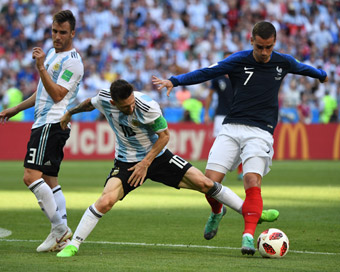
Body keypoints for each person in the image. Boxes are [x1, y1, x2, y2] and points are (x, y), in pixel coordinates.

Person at [152, 21, 328, 255]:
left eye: (269, 47)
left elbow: (304, 68)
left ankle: (248, 236)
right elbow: (207, 72)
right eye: (260, 47)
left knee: (251, 181)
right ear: (251, 40)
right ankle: (217, 212)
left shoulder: (282, 61)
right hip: (231, 127)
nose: (265, 53)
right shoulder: (238, 60)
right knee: (208, 183)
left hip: (261, 131)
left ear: (274, 43)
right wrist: (175, 80)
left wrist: (322, 75)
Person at [56, 79, 277, 258]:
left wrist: (145, 163)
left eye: (132, 102)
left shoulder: (148, 107)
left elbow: (164, 137)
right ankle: (73, 245)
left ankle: (252, 212)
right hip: (126, 161)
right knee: (105, 201)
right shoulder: (105, 98)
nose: (131, 107)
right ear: (113, 103)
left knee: (205, 183)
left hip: (158, 157)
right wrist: (69, 113)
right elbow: (88, 103)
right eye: (126, 106)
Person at [0, 10, 84, 252]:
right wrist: (15, 109)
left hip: (51, 123)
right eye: (54, 31)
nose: (57, 37)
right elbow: (42, 93)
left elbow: (58, 94)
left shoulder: (73, 62)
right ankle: (62, 237)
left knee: (30, 176)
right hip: (44, 122)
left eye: (63, 33)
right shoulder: (51, 54)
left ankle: (60, 229)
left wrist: (41, 68)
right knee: (50, 180)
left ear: (73, 33)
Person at [204, 51, 243, 181]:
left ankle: (240, 172)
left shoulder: (240, 76)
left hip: (237, 114)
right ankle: (219, 171)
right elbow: (209, 96)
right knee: (219, 144)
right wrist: (206, 114)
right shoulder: (218, 77)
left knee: (241, 143)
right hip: (221, 115)